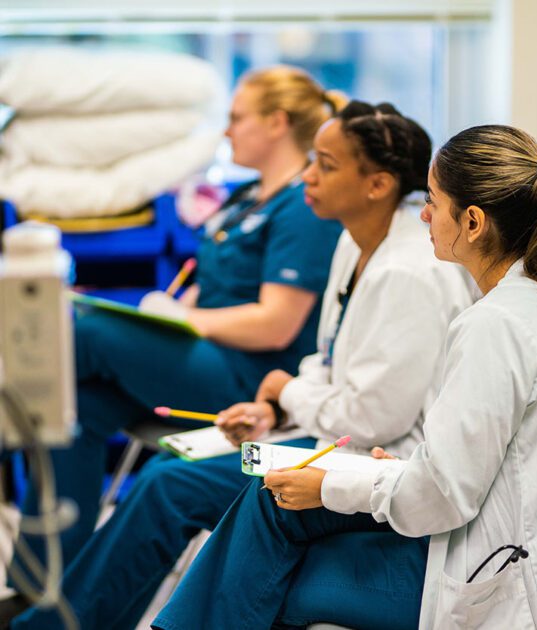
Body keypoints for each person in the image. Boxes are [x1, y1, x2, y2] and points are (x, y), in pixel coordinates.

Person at [10, 102, 474, 630]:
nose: (308, 176)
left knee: (169, 484)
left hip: (376, 462)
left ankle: (54, 626)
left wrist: (284, 390)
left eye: (325, 164)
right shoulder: (355, 241)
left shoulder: (408, 272)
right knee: (163, 468)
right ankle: (52, 611)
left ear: (377, 184)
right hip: (327, 432)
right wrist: (272, 408)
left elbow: (373, 421)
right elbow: (328, 356)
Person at [150, 124, 537, 630]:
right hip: (473, 553)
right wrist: (393, 471)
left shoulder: (495, 327)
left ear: (473, 222)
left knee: (254, 579)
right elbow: (474, 473)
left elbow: (440, 499)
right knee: (267, 517)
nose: (421, 214)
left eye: (433, 202)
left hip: (461, 585)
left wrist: (331, 487)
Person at [12, 66, 345, 577]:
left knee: (84, 329)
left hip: (251, 383)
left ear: (277, 122)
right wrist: (173, 309)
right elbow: (209, 279)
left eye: (237, 118)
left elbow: (275, 324)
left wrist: (187, 319)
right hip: (202, 361)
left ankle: (9, 398)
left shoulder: (302, 206)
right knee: (75, 411)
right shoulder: (241, 200)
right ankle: (44, 582)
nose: (226, 130)